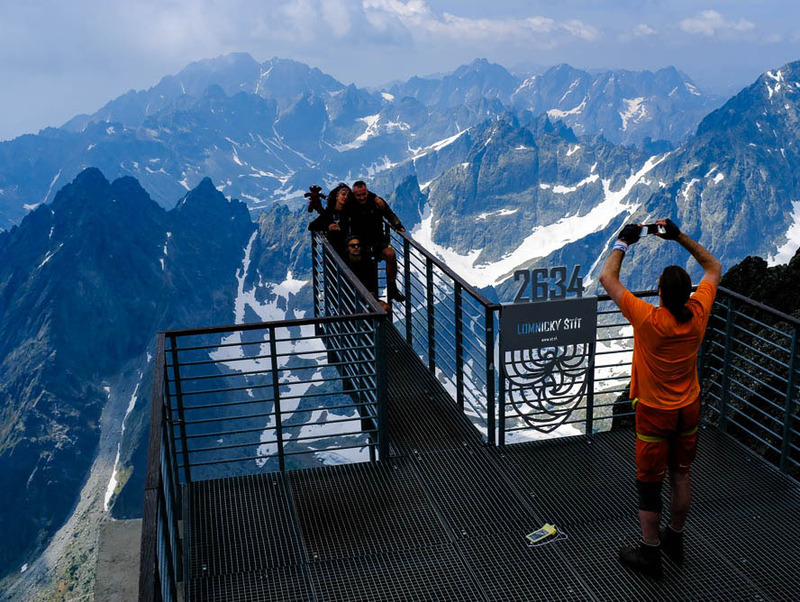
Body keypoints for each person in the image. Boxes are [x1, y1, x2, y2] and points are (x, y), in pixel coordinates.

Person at [598, 218, 721, 578]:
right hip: (689, 410)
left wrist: (623, 242)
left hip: (654, 414)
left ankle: (650, 552)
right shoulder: (698, 313)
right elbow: (713, 267)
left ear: (660, 292)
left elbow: (608, 279)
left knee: (649, 484)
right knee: (681, 475)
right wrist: (679, 235)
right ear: (689, 294)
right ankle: (675, 538)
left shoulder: (649, 319)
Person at [348, 180, 406, 302]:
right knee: (366, 267)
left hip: (378, 241)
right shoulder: (350, 204)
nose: (362, 197)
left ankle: (392, 288)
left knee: (391, 254)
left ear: (367, 192)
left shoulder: (376, 202)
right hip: (360, 244)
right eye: (358, 195)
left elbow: (389, 213)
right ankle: (367, 297)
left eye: (364, 194)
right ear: (354, 195)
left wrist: (397, 225)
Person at [344, 235, 390, 312]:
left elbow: (373, 287)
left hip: (366, 299)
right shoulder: (344, 264)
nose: (356, 247)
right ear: (347, 248)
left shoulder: (368, 264)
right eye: (353, 246)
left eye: (358, 245)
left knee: (385, 308)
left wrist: (368, 301)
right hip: (349, 300)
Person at [308, 183, 353, 256]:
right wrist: (328, 227)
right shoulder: (329, 213)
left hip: (349, 251)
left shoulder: (350, 213)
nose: (346, 197)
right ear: (337, 196)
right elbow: (312, 226)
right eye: (343, 194)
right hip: (334, 253)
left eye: (348, 195)